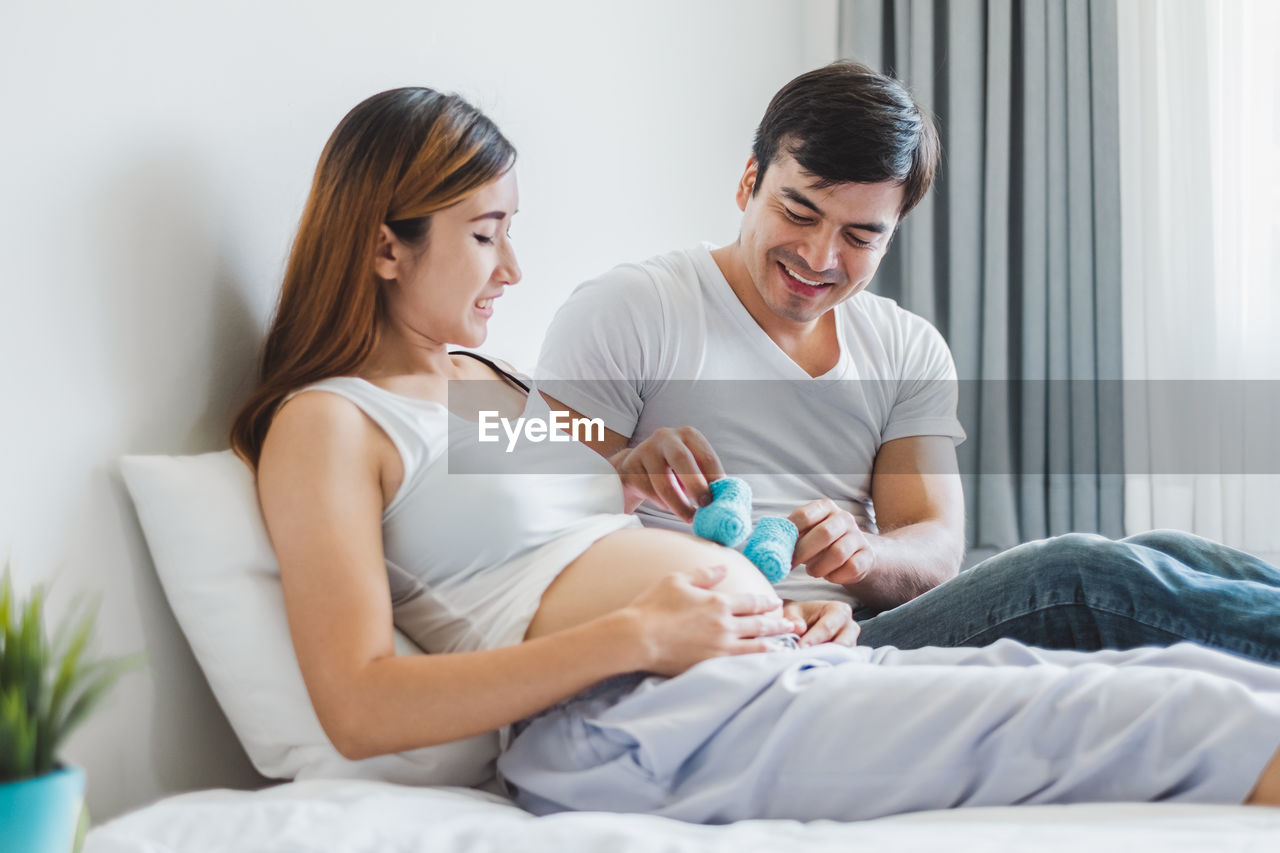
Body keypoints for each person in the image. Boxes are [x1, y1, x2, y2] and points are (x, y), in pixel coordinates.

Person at [230, 86, 1280, 823]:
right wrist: (642, 628)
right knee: (1169, 710)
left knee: (1193, 670)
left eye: (514, 228)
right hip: (635, 718)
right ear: (382, 244)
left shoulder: (485, 384)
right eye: (485, 232)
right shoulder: (327, 422)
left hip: (767, 654)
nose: (515, 266)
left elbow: (599, 507)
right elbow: (360, 706)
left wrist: (669, 495)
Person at [534, 60, 1280, 662]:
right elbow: (503, 461)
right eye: (798, 212)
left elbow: (933, 543)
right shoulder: (635, 305)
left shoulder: (906, 345)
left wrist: (865, 557)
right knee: (1078, 574)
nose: (820, 258)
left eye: (861, 235)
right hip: (733, 641)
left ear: (894, 234)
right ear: (747, 182)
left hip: (852, 632)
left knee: (1165, 550)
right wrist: (621, 459)